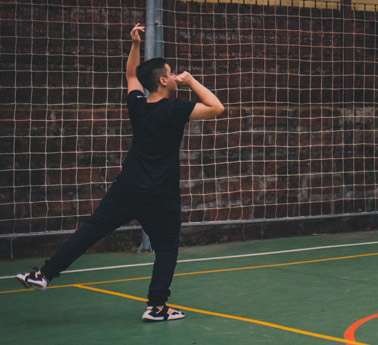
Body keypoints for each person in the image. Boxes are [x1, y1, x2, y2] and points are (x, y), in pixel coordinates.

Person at [16, 23, 225, 322]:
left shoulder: (137, 105)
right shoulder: (175, 109)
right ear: (163, 80)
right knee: (167, 246)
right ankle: (156, 307)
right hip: (160, 195)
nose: (176, 76)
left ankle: (44, 274)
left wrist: (135, 45)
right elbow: (216, 107)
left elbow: (131, 76)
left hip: (127, 188)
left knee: (90, 230)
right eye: (172, 73)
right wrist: (191, 81)